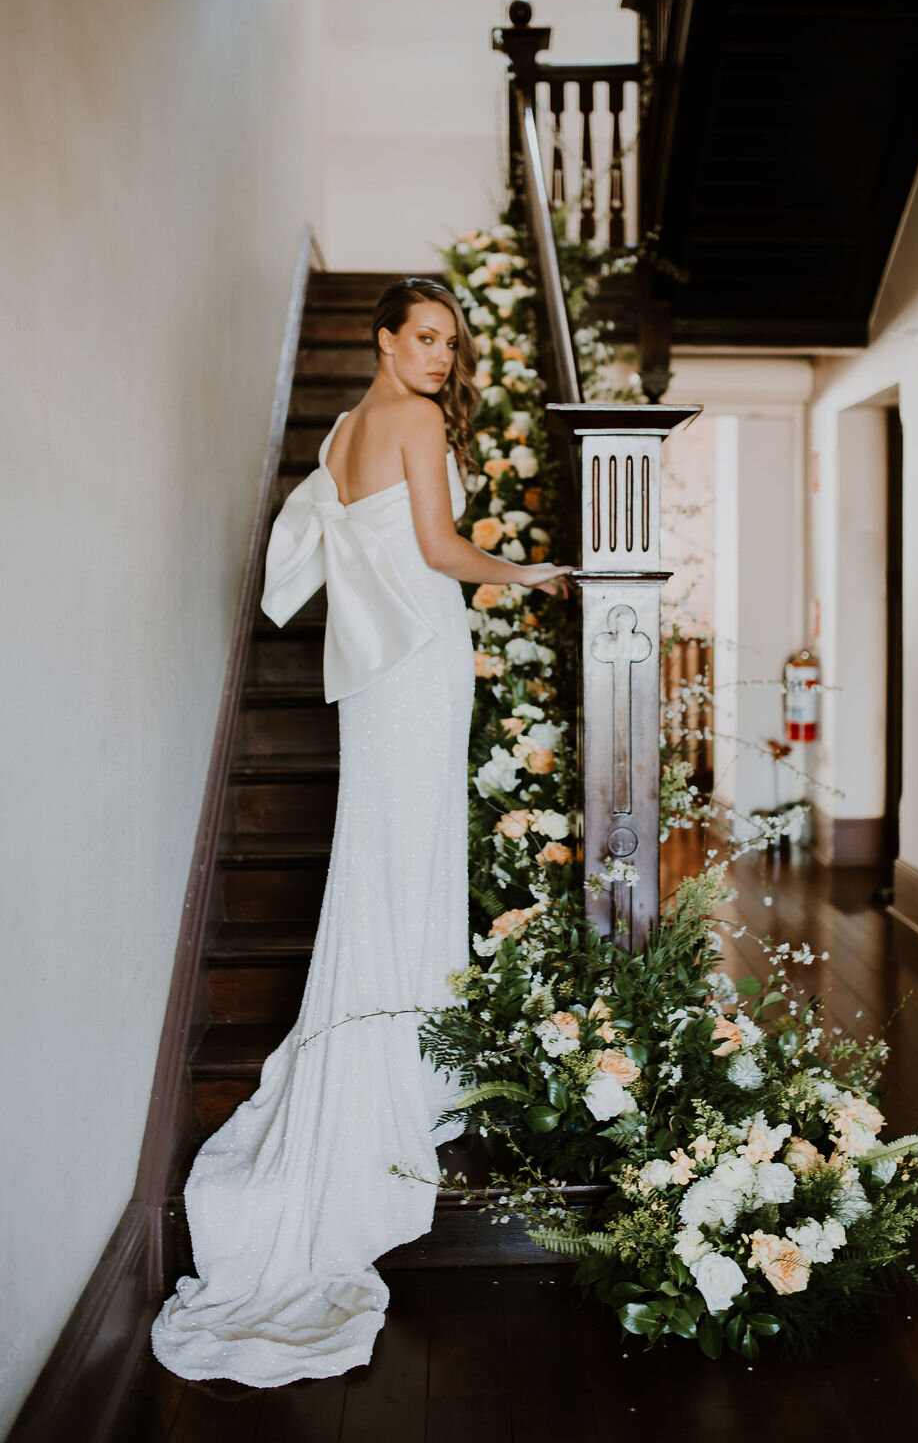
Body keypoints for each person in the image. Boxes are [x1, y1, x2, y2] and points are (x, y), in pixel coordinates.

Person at [150, 277, 576, 1386]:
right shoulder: (415, 418)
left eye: (450, 343)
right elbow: (437, 549)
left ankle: (389, 1045)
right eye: (424, 338)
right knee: (412, 853)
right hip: (421, 660)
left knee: (383, 854)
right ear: (385, 340)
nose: (440, 358)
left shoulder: (345, 426)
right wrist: (526, 570)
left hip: (380, 679)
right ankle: (402, 1065)